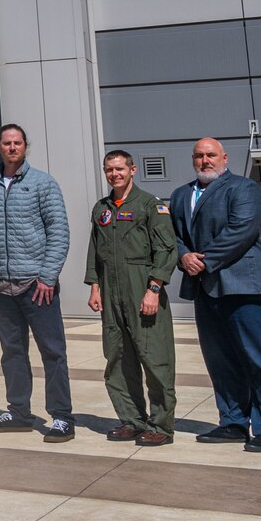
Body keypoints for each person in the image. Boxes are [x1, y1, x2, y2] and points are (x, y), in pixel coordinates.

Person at [170, 137, 261, 451]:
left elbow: (242, 229)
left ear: (224, 158)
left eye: (211, 155)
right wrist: (183, 256)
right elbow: (175, 235)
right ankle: (233, 423)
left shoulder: (244, 188)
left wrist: (203, 261)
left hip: (245, 286)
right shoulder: (181, 194)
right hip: (206, 290)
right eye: (199, 156)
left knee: (260, 360)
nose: (205, 160)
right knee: (220, 361)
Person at [0, 124, 75, 443]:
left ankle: (61, 417)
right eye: (7, 143)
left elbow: (59, 232)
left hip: (36, 285)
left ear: (25, 146)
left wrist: (48, 276)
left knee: (53, 352)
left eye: (17, 142)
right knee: (12, 352)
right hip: (2, 287)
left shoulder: (42, 183)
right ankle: (19, 412)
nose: (12, 147)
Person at [87, 149, 179, 445]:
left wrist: (154, 288)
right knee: (117, 358)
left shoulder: (150, 206)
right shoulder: (101, 209)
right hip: (111, 294)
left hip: (142, 288)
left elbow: (166, 250)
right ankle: (131, 420)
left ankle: (161, 426)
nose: (114, 174)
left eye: (119, 169)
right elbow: (95, 252)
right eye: (109, 170)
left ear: (132, 170)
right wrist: (94, 286)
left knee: (155, 358)